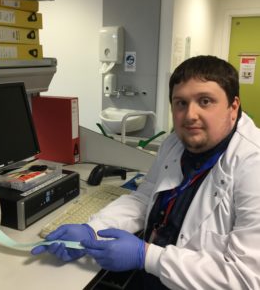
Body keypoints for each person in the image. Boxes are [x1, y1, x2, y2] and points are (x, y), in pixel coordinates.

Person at [32, 55, 260, 289]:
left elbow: (247, 278)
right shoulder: (174, 144)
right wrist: (93, 229)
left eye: (205, 101)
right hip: (151, 276)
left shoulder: (252, 164)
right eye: (181, 103)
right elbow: (143, 198)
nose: (190, 115)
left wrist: (147, 256)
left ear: (233, 107)